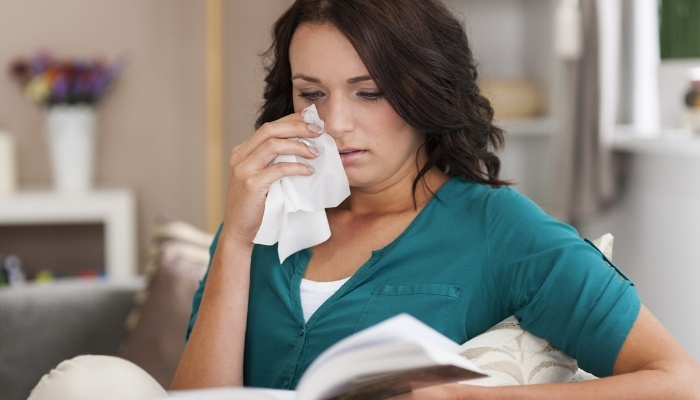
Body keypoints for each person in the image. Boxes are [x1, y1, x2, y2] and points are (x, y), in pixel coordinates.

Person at [171, 0, 700, 398]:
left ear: (425, 90)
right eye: (312, 93)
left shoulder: (500, 228)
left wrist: (465, 398)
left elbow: (678, 381)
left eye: (370, 92)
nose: (333, 123)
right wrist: (237, 240)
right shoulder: (269, 213)